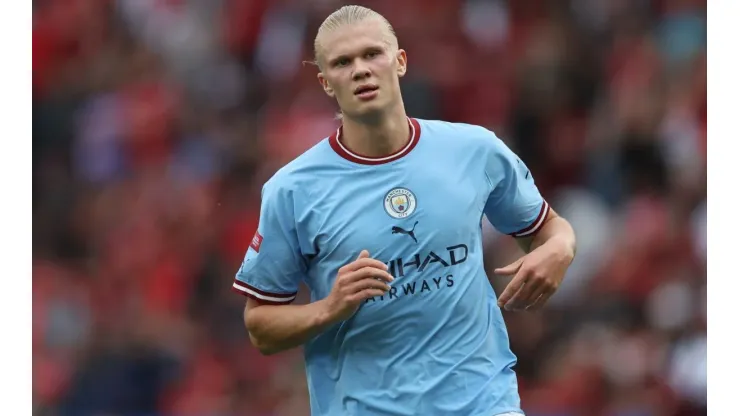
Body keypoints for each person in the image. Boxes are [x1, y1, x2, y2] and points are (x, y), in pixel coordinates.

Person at [232, 5, 577, 416]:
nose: (360, 69)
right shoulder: (292, 190)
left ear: (400, 61)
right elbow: (260, 327)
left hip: (483, 403)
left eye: (371, 54)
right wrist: (330, 306)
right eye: (343, 62)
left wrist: (560, 247)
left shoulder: (473, 150)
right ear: (326, 82)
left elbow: (549, 229)